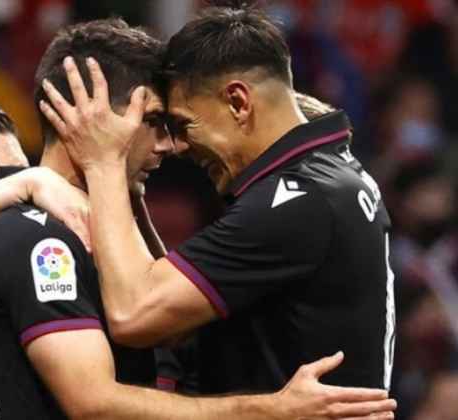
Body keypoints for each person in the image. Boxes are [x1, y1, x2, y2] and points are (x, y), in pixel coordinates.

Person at [0, 19, 396, 420]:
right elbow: (95, 401)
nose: (172, 145)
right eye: (155, 122)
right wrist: (269, 411)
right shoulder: (35, 237)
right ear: (88, 115)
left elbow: (163, 327)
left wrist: (119, 188)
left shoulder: (297, 195)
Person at [37, 5, 395, 393]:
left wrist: (105, 162)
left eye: (183, 124)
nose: (177, 146)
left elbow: (133, 315)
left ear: (238, 102)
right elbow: (175, 321)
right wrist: (131, 196)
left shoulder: (297, 201)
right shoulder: (331, 176)